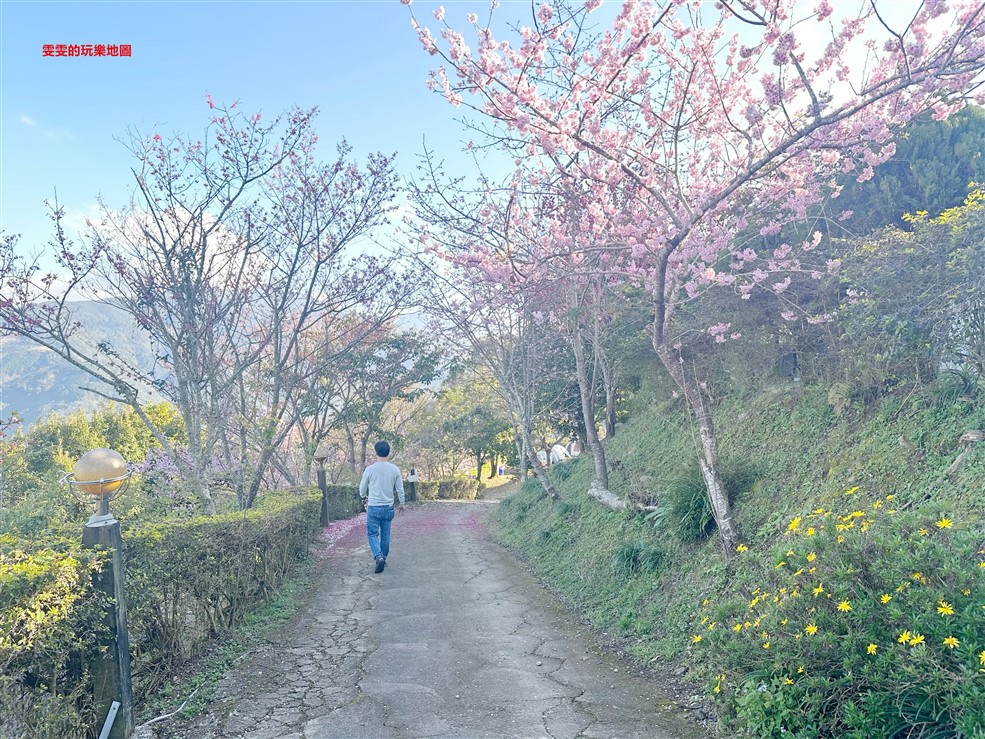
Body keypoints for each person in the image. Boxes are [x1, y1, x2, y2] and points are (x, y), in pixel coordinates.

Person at [359, 440, 405, 574]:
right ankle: (383, 557)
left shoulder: (370, 469)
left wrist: (363, 497)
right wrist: (402, 503)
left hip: (374, 506)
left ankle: (378, 557)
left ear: (376, 452)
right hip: (388, 507)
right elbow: (399, 488)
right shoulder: (394, 469)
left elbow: (362, 487)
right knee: (386, 535)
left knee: (372, 533)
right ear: (388, 452)